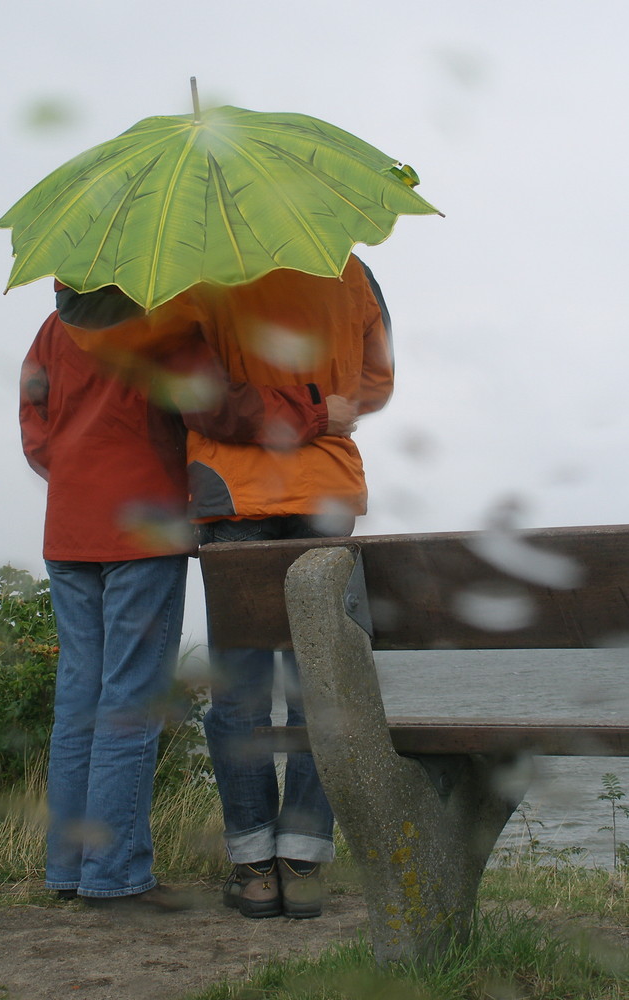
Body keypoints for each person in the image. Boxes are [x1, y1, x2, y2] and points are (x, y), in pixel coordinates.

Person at [55, 254, 394, 920]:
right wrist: (326, 406)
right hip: (326, 488)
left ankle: (254, 870)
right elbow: (375, 384)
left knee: (239, 690)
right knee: (317, 686)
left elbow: (194, 392)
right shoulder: (348, 269)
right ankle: (303, 863)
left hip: (230, 494)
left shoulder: (199, 278)